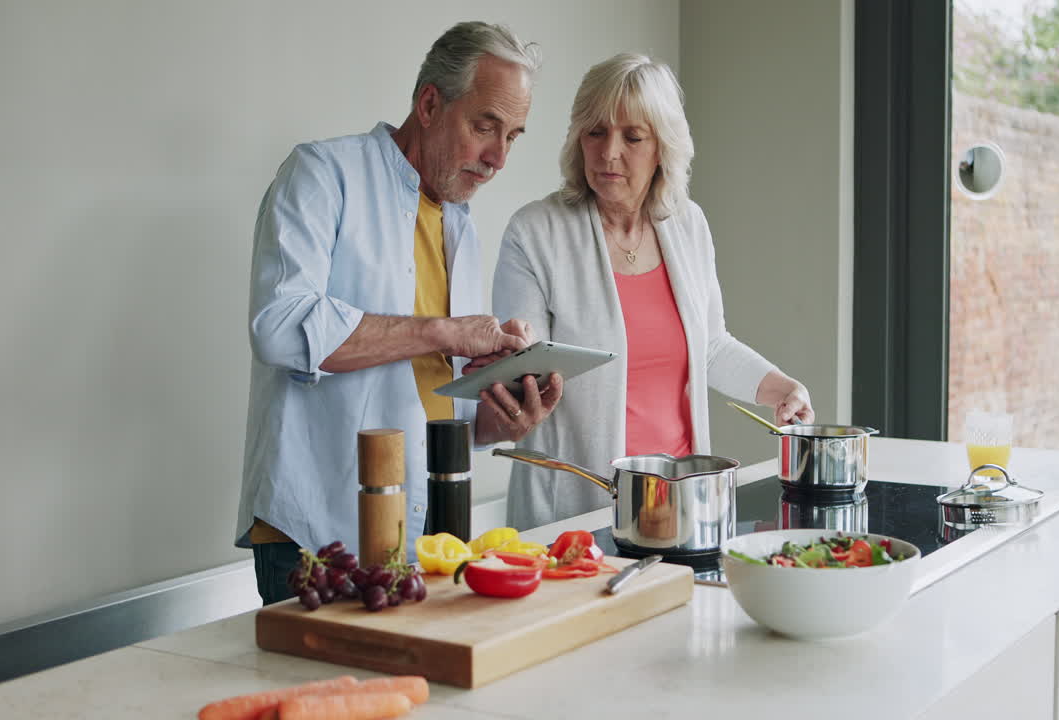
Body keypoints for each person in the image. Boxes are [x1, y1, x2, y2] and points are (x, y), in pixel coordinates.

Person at [239, 22, 562, 605]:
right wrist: (443, 329)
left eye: (513, 136)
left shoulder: (459, 225)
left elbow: (434, 399)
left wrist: (500, 420)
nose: (498, 157)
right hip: (315, 537)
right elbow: (281, 328)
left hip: (422, 541)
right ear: (430, 102)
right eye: (485, 126)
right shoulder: (321, 175)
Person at [492, 53, 815, 530]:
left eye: (632, 136)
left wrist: (780, 388)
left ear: (663, 145)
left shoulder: (687, 224)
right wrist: (519, 368)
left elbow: (710, 348)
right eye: (595, 131)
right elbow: (526, 368)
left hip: (683, 504)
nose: (608, 152)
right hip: (579, 512)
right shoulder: (535, 232)